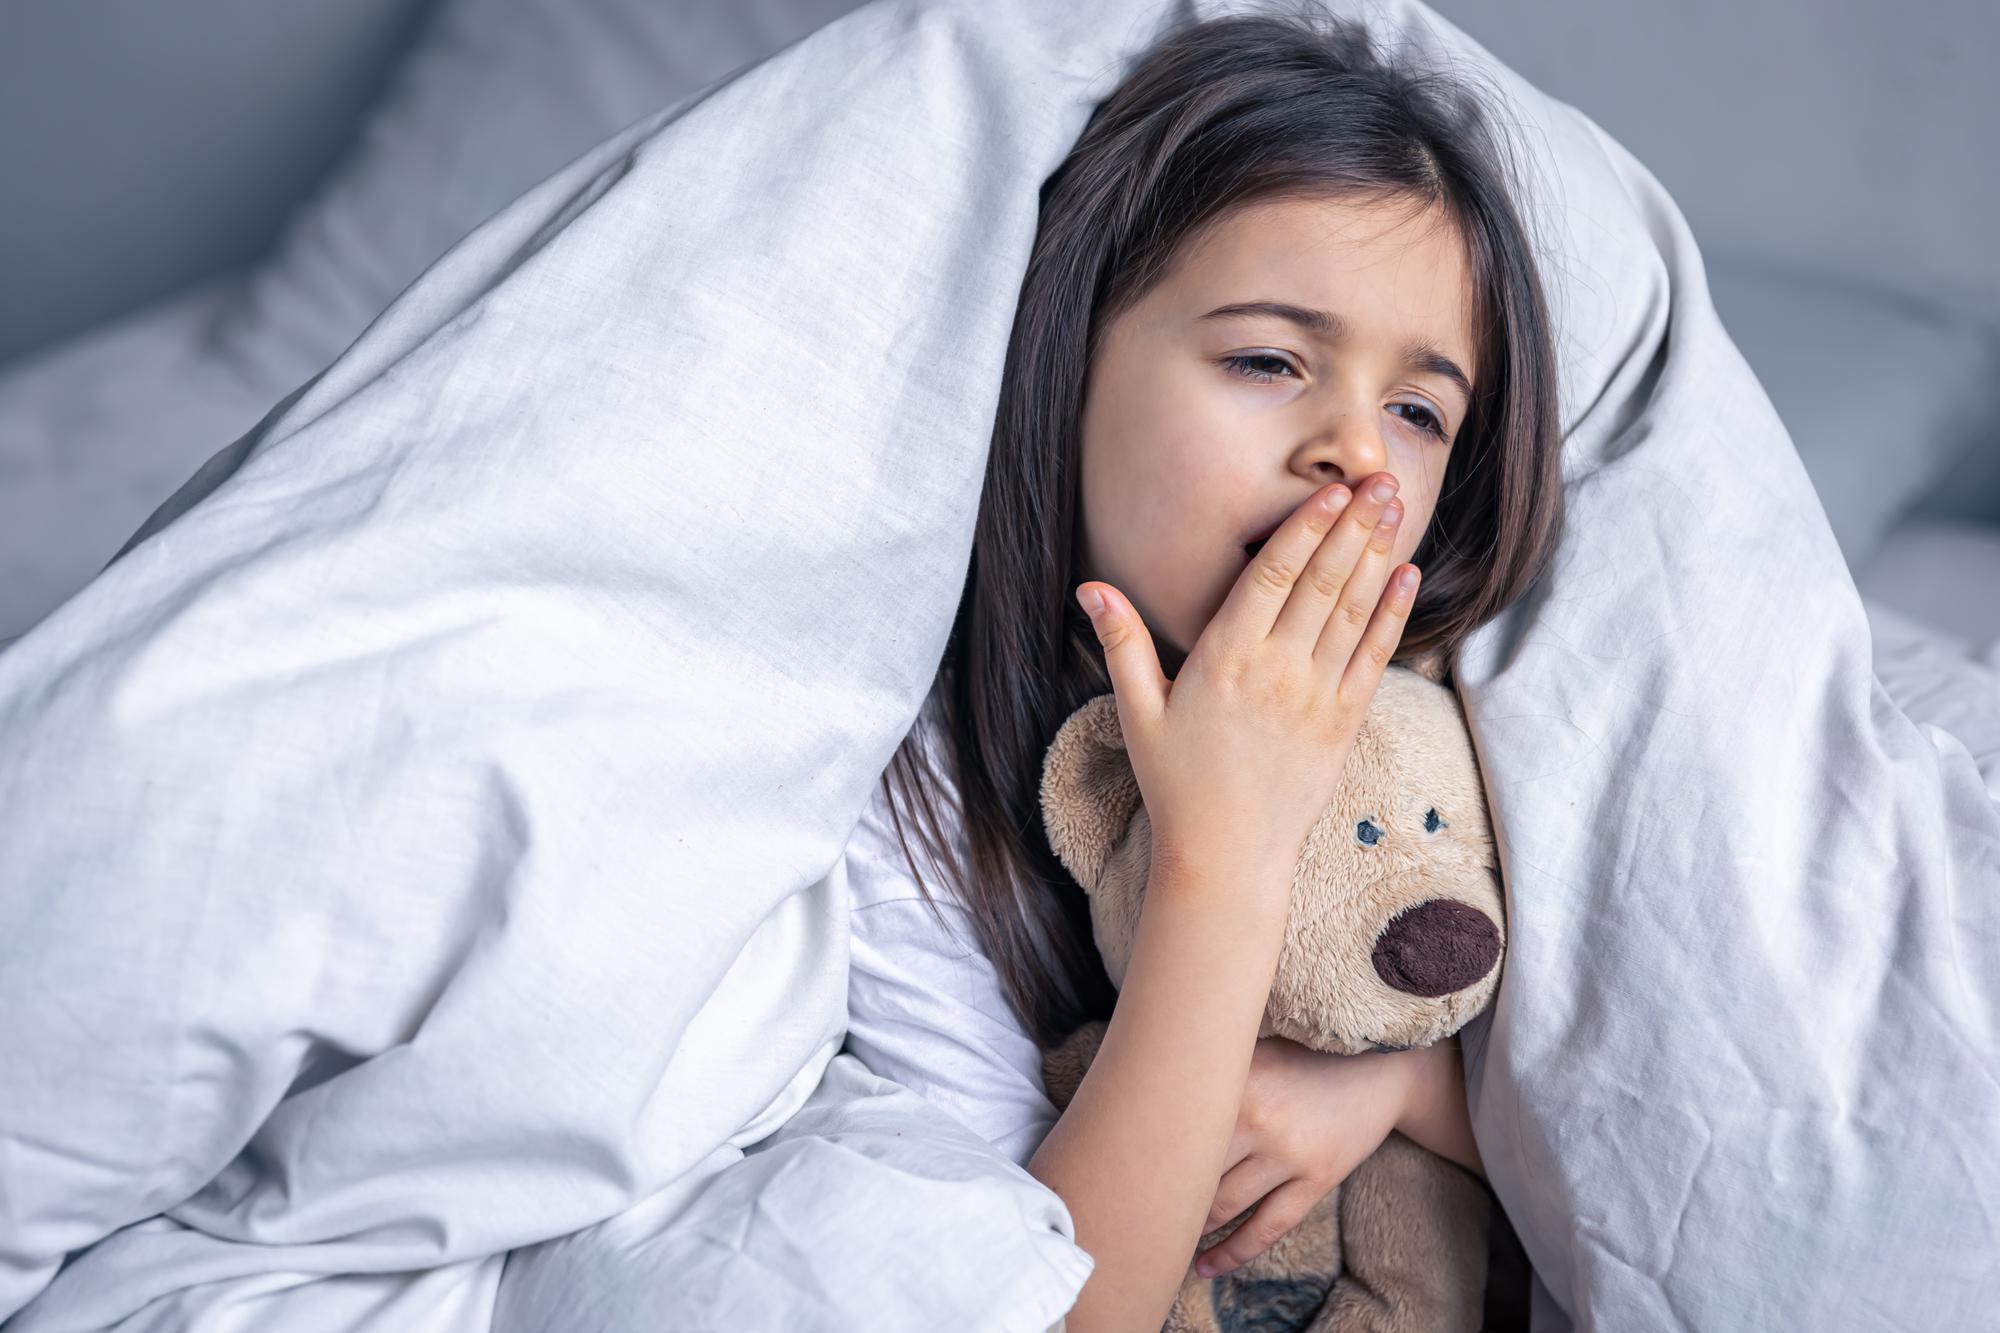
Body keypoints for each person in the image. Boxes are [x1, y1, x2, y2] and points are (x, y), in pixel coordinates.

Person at [841, 9, 1565, 1332]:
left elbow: (1627, 1140)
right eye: (1268, 359)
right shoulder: (913, 799)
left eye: (1417, 410)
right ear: (1068, 358)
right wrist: (1221, 849)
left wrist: (1393, 1086)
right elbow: (1056, 1311)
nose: (1358, 451)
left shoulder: (1466, 711)